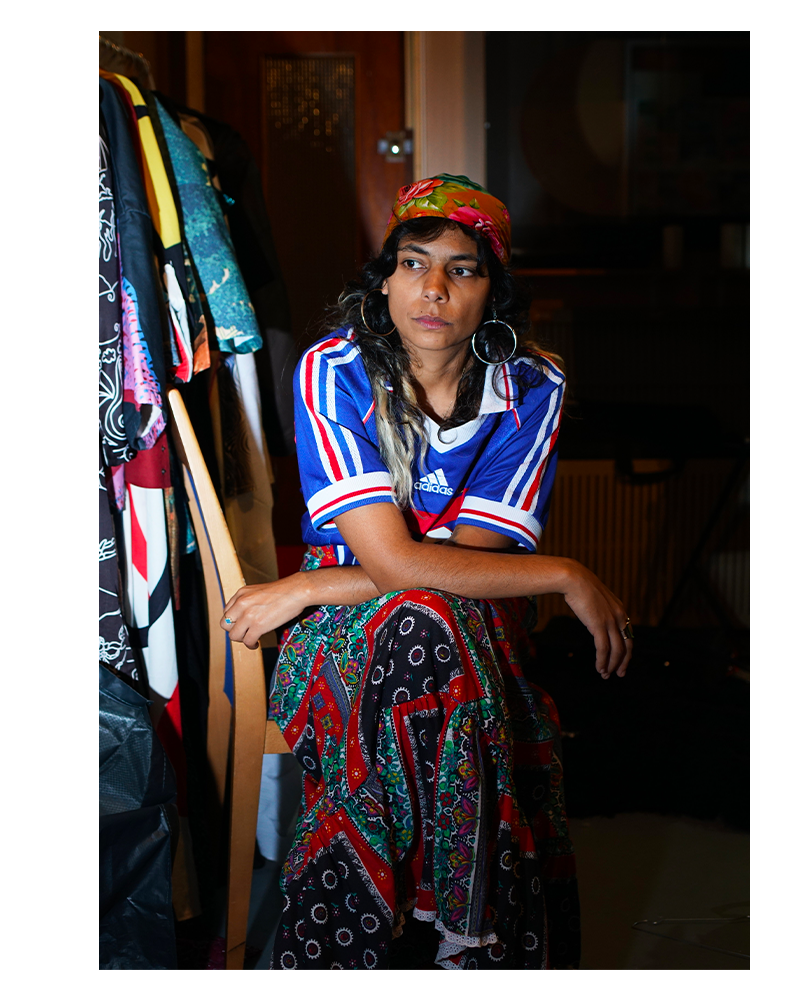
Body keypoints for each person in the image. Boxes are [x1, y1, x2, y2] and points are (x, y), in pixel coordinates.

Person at [220, 174, 632, 969]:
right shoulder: (334, 369)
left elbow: (461, 564)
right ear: (384, 282)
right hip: (340, 639)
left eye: (462, 269)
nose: (433, 288)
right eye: (413, 264)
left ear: (492, 292)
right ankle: (464, 921)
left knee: (430, 619)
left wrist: (306, 585)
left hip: (453, 620)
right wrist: (563, 573)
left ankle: (374, 931)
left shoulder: (531, 386)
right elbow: (399, 565)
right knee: (426, 621)